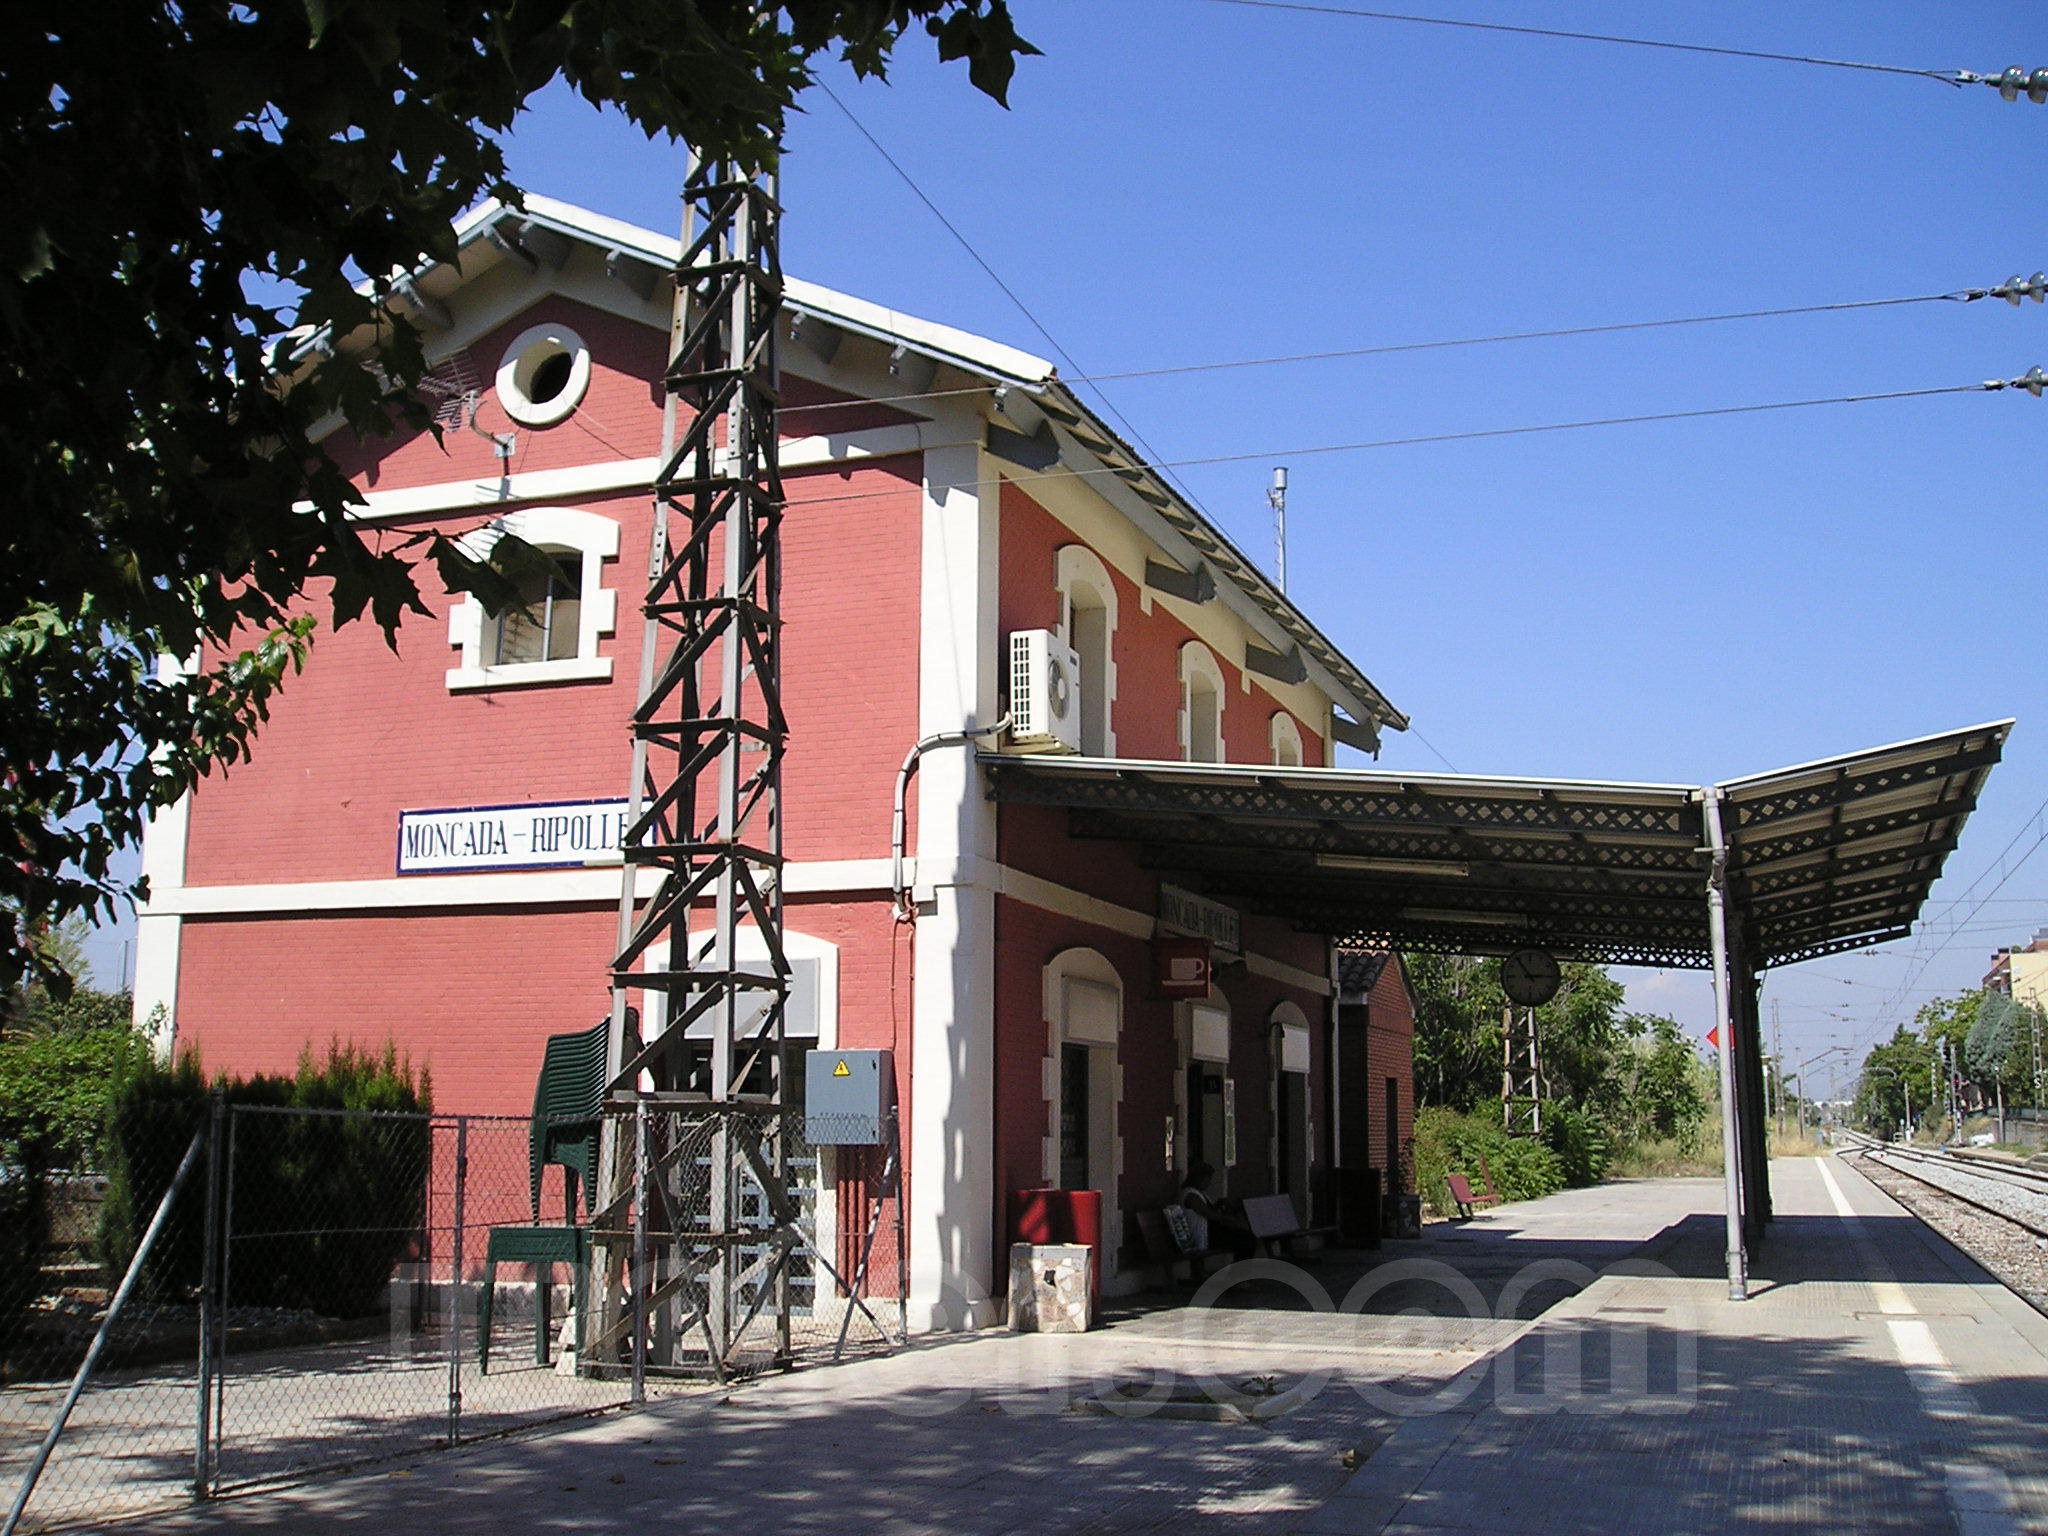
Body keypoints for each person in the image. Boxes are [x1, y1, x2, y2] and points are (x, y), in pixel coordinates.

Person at [1177, 1161, 1255, 1259]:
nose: (1208, 1183)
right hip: (1204, 1236)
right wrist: (1229, 1219)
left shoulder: (1201, 1194)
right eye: (1205, 1180)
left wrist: (1218, 1205)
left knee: (1246, 1238)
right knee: (1246, 1239)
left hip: (1212, 1232)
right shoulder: (1191, 1195)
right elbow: (1209, 1214)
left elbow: (1210, 1210)